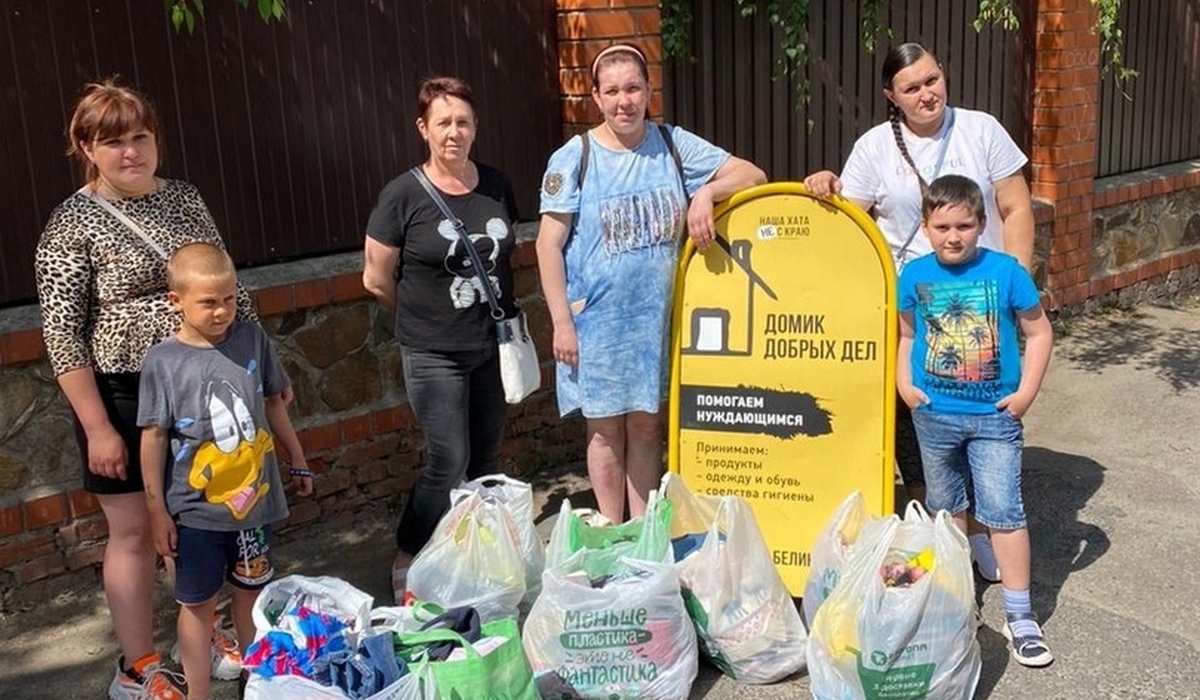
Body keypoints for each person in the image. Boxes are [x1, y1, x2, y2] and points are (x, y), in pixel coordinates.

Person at [34, 81, 260, 700]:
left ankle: (206, 635)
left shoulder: (184, 198)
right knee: (135, 532)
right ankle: (137, 665)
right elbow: (62, 333)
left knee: (199, 522)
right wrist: (99, 427)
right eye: (114, 141)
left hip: (201, 390)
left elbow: (223, 280)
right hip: (121, 396)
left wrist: (257, 372)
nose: (131, 152)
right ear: (87, 148)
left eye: (140, 137)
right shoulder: (70, 224)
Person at [804, 41, 1036, 581]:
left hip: (979, 303)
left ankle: (982, 530)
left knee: (984, 415)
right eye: (911, 88)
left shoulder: (981, 130)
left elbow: (1016, 206)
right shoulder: (874, 148)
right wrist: (825, 188)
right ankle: (941, 527)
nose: (926, 93)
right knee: (920, 419)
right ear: (892, 96)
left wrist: (1015, 282)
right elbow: (848, 223)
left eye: (932, 79)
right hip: (912, 304)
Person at [536, 43, 766, 525]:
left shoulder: (673, 144)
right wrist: (561, 323)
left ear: (648, 91)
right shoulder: (573, 157)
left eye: (634, 88)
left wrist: (707, 191)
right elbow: (547, 245)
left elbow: (752, 174)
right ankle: (613, 527)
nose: (625, 101)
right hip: (595, 324)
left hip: (654, 323)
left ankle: (641, 531)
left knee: (645, 426)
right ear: (596, 97)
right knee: (603, 432)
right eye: (613, 90)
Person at [361, 76, 520, 603]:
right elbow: (376, 278)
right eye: (444, 122)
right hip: (432, 351)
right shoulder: (402, 194)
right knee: (447, 459)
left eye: (463, 122)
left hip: (490, 347)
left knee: (487, 459)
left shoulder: (496, 184)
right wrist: (421, 319)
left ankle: (473, 555)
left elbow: (505, 260)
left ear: (475, 128)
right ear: (423, 128)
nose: (454, 132)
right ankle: (409, 550)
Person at [138, 242, 312, 700]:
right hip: (196, 517)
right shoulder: (163, 362)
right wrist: (156, 511)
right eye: (209, 302)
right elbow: (153, 438)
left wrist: (298, 458)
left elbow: (275, 403)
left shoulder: (252, 338)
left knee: (251, 596)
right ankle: (199, 693)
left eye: (230, 299)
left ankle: (257, 685)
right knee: (197, 607)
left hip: (254, 510)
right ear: (177, 301)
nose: (222, 311)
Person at [897, 174, 1054, 667]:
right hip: (934, 415)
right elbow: (905, 335)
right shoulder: (914, 276)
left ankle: (1020, 615)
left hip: (994, 417)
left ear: (982, 224)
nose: (953, 236)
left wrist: (1025, 393)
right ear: (925, 226)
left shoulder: (1007, 272)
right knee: (946, 513)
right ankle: (957, 604)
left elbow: (1040, 332)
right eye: (942, 226)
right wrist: (906, 385)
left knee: (1004, 512)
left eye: (965, 225)